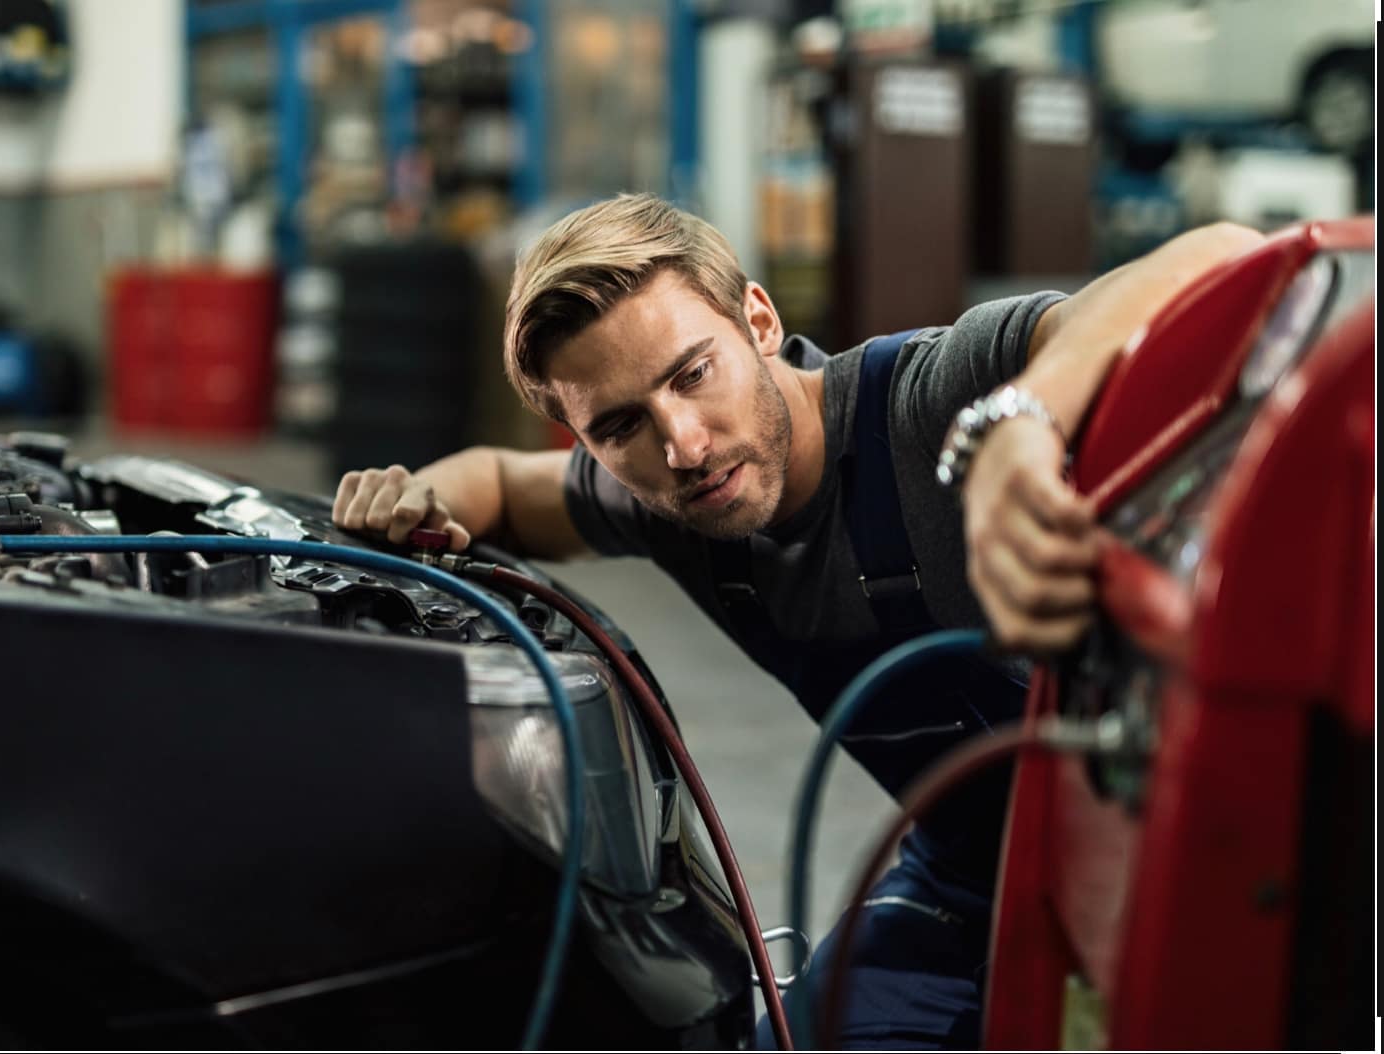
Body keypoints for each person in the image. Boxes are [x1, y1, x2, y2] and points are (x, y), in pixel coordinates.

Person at [331, 193, 1262, 1047]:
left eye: (694, 373)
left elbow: (1227, 255)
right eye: (619, 426)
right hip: (972, 875)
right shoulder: (668, 503)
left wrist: (1023, 423)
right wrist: (412, 500)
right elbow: (497, 483)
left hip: (1181, 870)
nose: (683, 445)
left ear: (760, 321)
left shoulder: (925, 404)